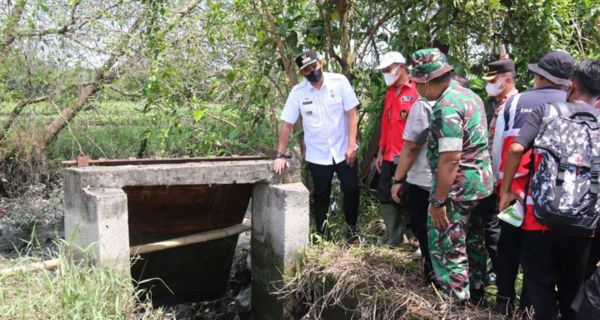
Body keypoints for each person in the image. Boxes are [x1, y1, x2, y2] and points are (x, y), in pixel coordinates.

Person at [499, 58, 600, 320]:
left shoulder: (547, 110)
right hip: (584, 224)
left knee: (539, 289)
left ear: (572, 85)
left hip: (539, 220)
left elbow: (515, 149)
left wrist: (506, 190)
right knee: (572, 294)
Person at [493, 51, 574, 315]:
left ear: (539, 76)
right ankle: (529, 309)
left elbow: (499, 151)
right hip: (555, 202)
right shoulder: (578, 107)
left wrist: (502, 188)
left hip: (514, 196)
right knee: (537, 261)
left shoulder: (515, 103)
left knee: (508, 249)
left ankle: (504, 303)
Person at [410, 48, 493, 302]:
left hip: (457, 189)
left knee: (448, 246)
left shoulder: (445, 108)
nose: (415, 88)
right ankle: (477, 290)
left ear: (425, 81)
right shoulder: (469, 96)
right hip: (481, 186)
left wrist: (438, 201)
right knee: (473, 241)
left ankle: (455, 302)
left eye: (415, 82)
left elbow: (450, 159)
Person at [273, 50, 361, 243]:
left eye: (314, 66)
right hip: (318, 154)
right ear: (302, 73)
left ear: (320, 63)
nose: (311, 71)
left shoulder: (339, 82)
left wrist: (351, 145)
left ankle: (352, 230)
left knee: (351, 188)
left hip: (343, 149)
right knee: (321, 195)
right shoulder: (298, 93)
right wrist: (280, 154)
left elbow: (351, 114)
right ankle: (323, 236)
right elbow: (287, 125)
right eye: (306, 70)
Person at [477, 58, 519, 287]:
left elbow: (509, 148)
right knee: (492, 230)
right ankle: (501, 274)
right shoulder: (498, 105)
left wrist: (503, 184)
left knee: (497, 232)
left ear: (508, 80)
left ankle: (505, 281)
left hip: (505, 183)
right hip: (494, 181)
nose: (490, 85)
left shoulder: (515, 105)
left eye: (494, 80)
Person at [374, 51, 419, 246]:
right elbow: (386, 123)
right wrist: (381, 151)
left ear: (401, 67)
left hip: (408, 155)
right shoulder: (390, 93)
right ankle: (394, 237)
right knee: (385, 193)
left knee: (410, 197)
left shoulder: (417, 91)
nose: (385, 73)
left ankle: (417, 239)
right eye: (383, 70)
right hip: (389, 153)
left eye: (388, 69)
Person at [389, 97, 434, 282]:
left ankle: (432, 276)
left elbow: (412, 147)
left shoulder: (422, 105)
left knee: (424, 228)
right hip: (454, 180)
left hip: (424, 179)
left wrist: (398, 179)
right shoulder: (467, 100)